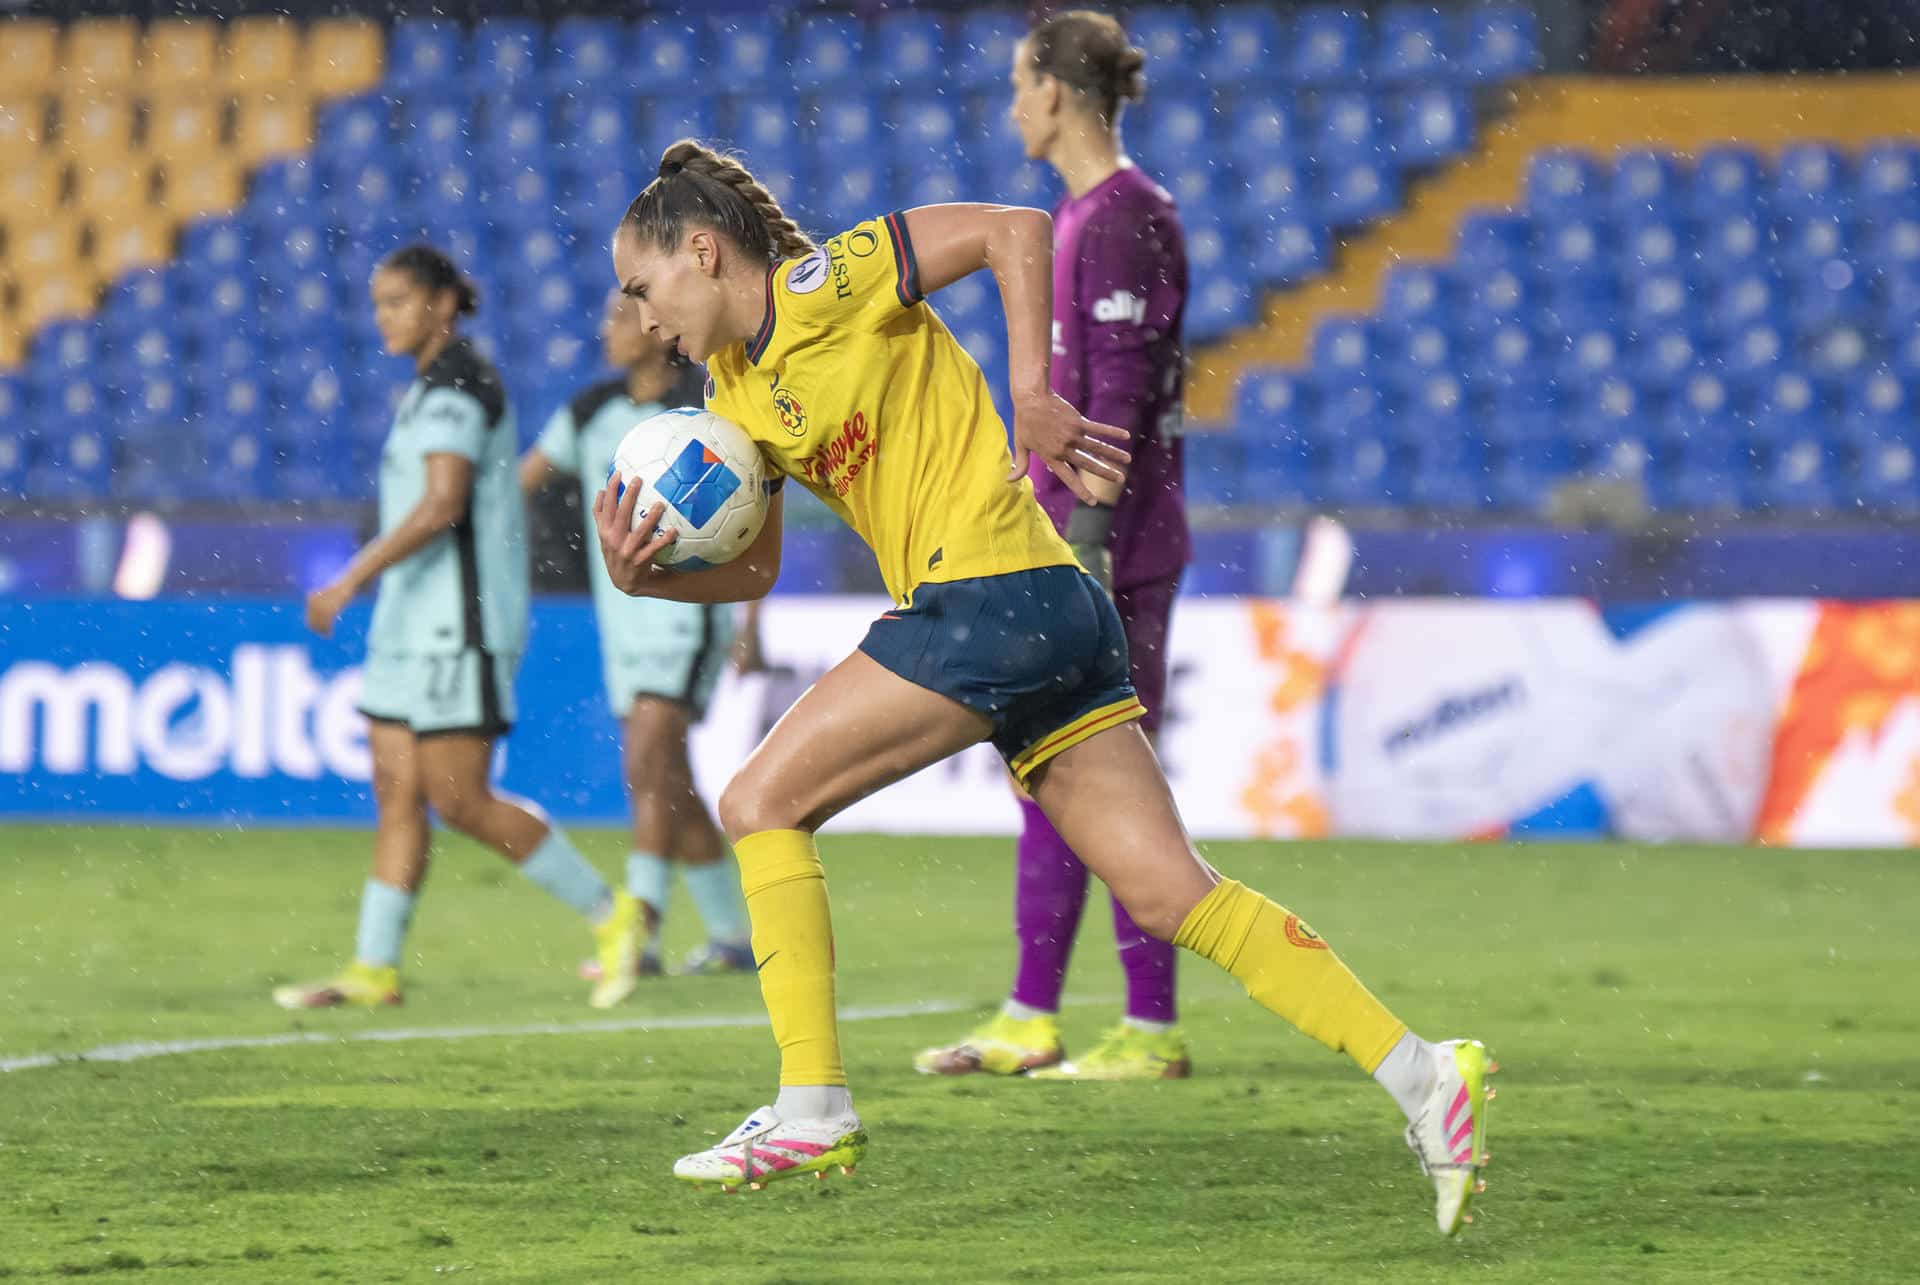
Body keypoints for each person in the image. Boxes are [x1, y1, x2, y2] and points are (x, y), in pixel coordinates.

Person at [595, 140, 1494, 1235]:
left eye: (644, 288)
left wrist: (1033, 393)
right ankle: (1425, 1077)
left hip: (986, 594)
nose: (643, 320)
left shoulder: (826, 281)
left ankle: (811, 1104)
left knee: (757, 802)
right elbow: (758, 566)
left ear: (701, 249)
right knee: (1172, 895)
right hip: (1051, 611)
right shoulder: (735, 393)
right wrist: (647, 579)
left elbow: (1016, 228)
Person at [915, 10, 1195, 1084]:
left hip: (1109, 553)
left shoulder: (1121, 217)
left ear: (1057, 95)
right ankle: (1035, 1014)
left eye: (1019, 85)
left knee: (1109, 783)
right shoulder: (1092, 215)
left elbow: (1115, 397)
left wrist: (1082, 552)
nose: (1011, 105)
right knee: (1050, 773)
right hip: (1082, 542)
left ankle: (1151, 1027)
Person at [275, 244, 644, 1013]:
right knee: (396, 790)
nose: (385, 317)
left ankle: (615, 916)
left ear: (443, 305)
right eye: (379, 303)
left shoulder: (461, 386)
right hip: (410, 623)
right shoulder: (427, 389)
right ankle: (373, 967)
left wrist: (350, 576)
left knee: (460, 798)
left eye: (400, 301)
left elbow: (444, 502)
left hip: (458, 627)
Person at [520, 289, 755, 978]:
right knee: (671, 781)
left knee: (646, 766)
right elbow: (520, 483)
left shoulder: (705, 410)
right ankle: (732, 936)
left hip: (687, 613)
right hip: (623, 615)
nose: (607, 328)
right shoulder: (591, 412)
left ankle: (639, 934)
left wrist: (751, 617)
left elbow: (752, 510)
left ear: (660, 329)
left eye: (621, 316)